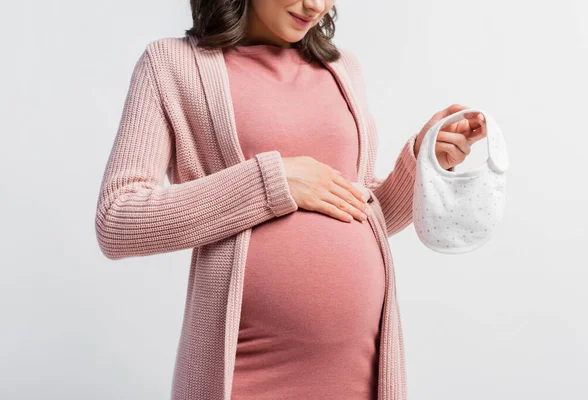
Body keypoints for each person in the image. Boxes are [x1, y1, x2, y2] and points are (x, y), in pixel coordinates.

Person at [94, 1, 487, 399]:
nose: (315, 5)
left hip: (358, 373)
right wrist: (271, 181)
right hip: (245, 373)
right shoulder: (172, 65)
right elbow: (118, 219)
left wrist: (421, 164)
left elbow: (359, 208)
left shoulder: (342, 68)